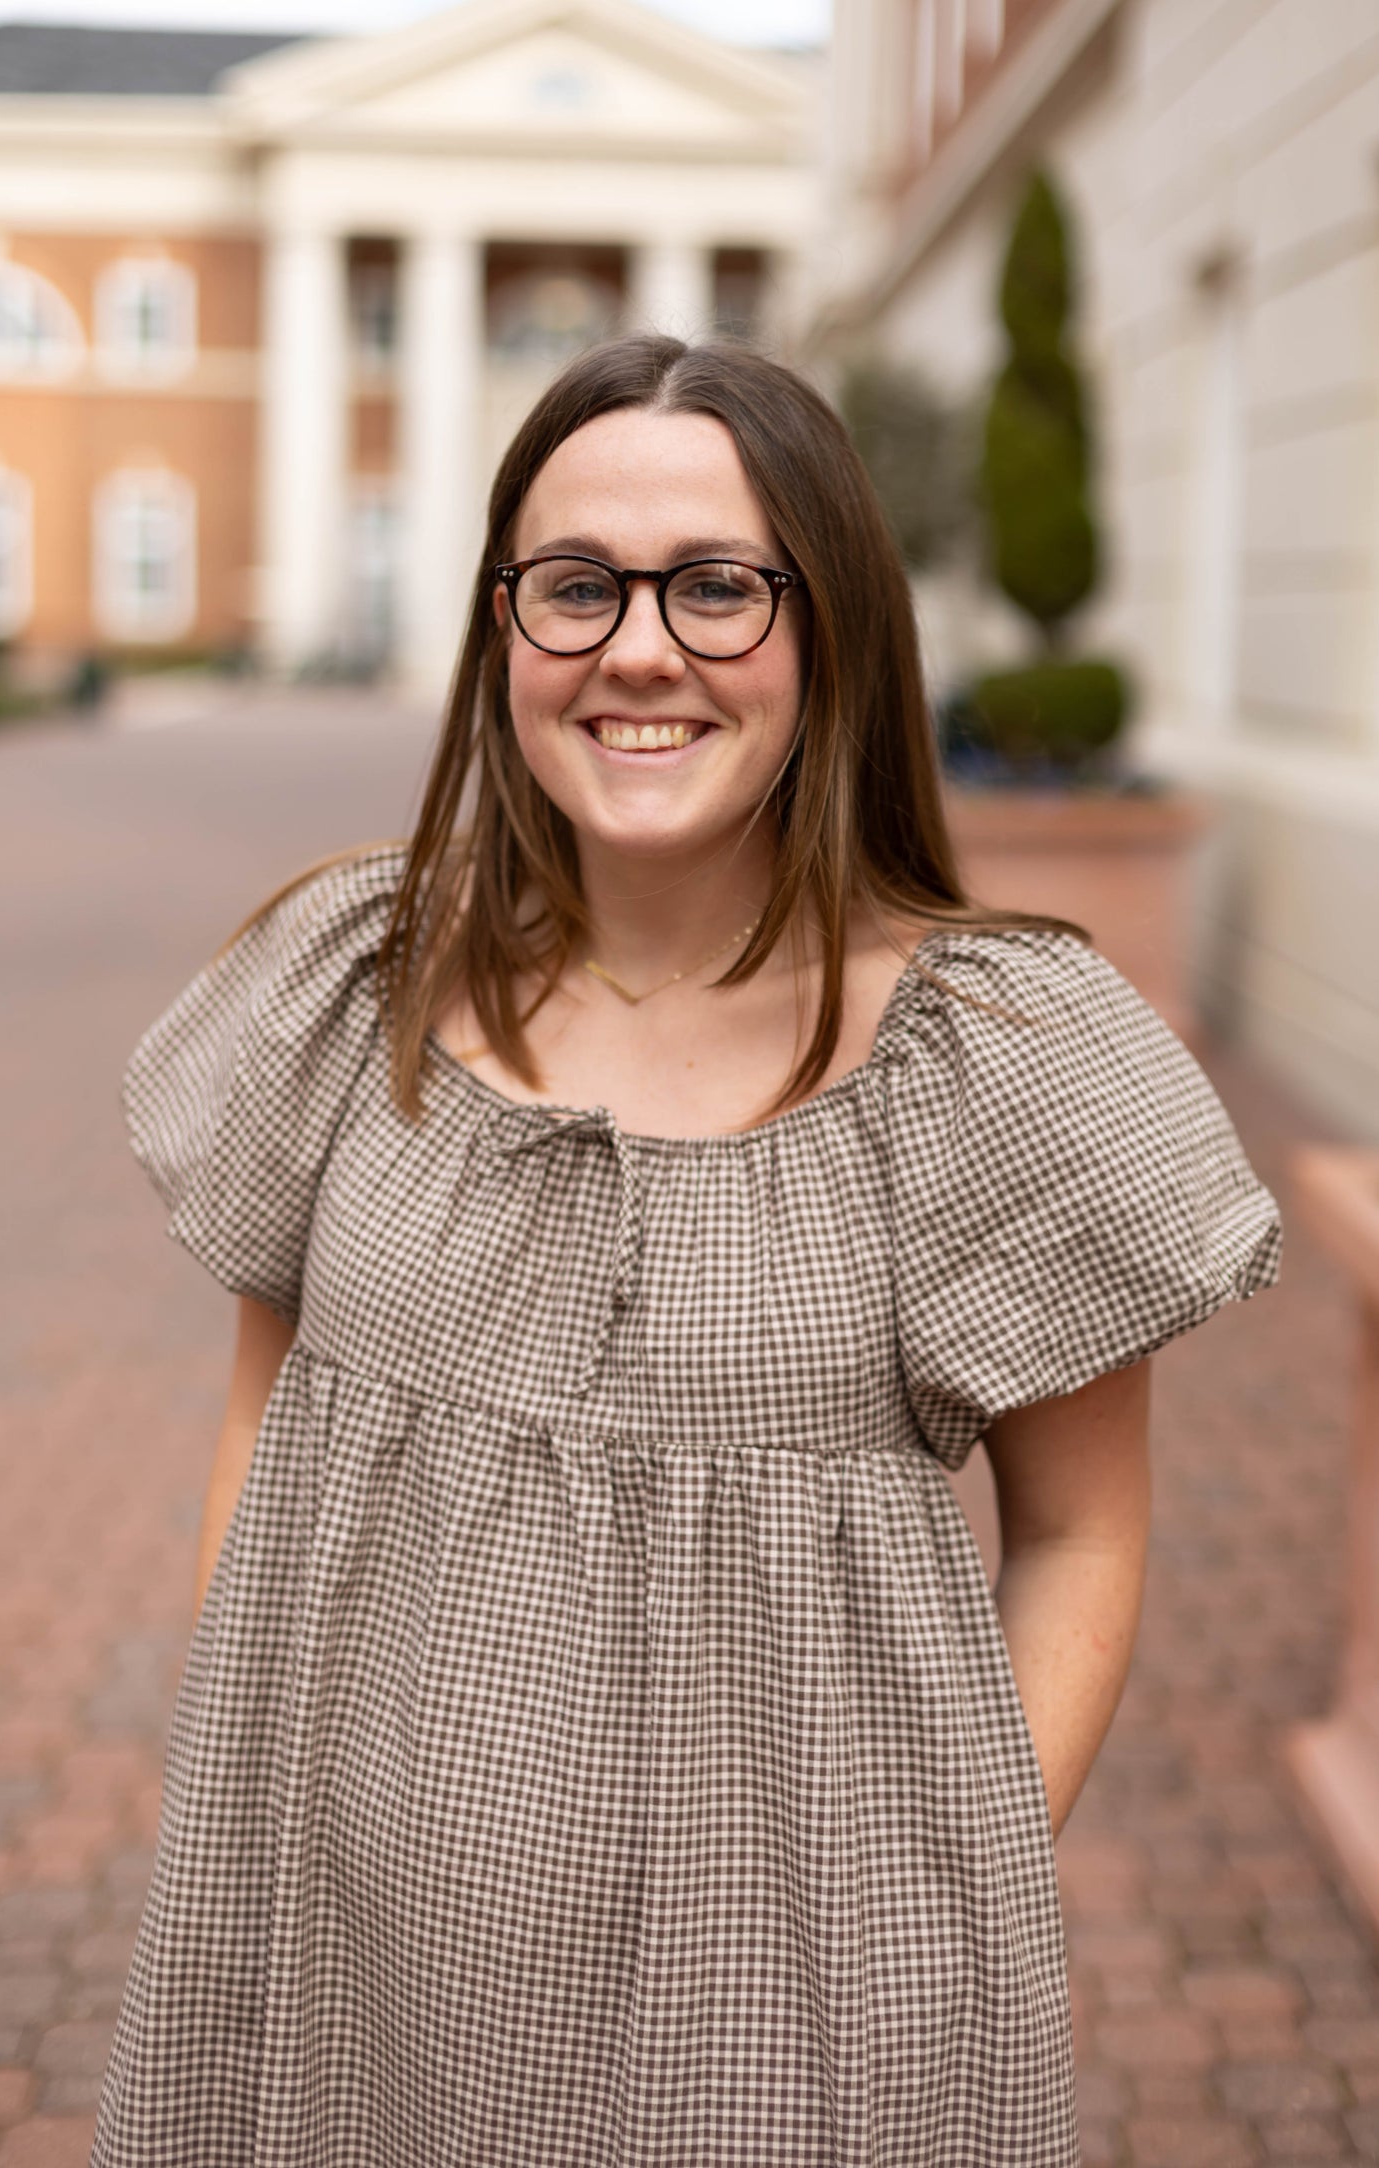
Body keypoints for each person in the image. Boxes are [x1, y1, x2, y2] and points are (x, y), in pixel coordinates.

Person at [92, 334, 1282, 2167]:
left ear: (831, 635)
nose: (637, 648)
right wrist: (281, 1793)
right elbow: (272, 1428)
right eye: (574, 587)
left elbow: (1081, 1532)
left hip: (794, 2031)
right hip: (352, 1966)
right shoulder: (359, 988)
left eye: (719, 588)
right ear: (504, 630)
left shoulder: (995, 1062)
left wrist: (928, 1905)